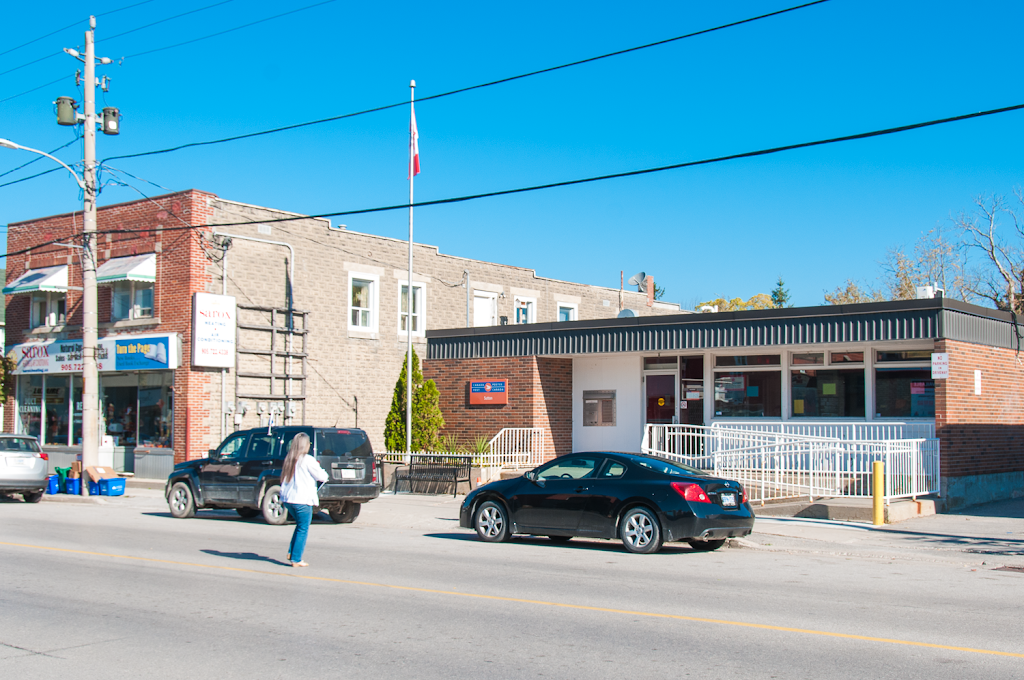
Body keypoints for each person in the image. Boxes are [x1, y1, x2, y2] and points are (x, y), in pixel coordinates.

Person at [279, 433, 328, 567]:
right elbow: (322, 476)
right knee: (303, 528)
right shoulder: (307, 459)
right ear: (305, 445)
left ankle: (292, 552)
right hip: (302, 499)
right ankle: (296, 558)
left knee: (300, 525)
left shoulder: (290, 459)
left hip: (289, 499)